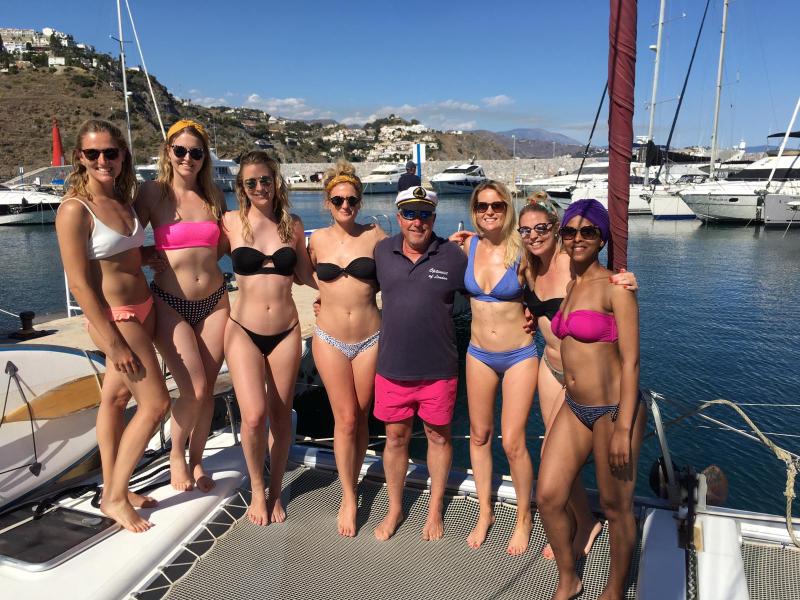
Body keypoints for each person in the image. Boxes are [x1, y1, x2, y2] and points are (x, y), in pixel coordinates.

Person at [56, 119, 170, 532]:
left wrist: (147, 255)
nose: (103, 160)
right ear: (80, 159)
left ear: (123, 155)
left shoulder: (124, 202)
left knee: (117, 401)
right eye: (93, 154)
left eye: (111, 152)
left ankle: (114, 482)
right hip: (117, 320)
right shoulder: (74, 209)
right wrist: (112, 342)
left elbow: (118, 255)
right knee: (157, 405)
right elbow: (79, 283)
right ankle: (115, 498)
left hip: (145, 306)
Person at [536, 199, 646, 600]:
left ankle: (615, 589)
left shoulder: (617, 288)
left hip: (613, 411)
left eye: (588, 232)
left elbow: (632, 364)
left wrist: (623, 428)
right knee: (547, 495)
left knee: (616, 508)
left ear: (601, 239)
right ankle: (569, 576)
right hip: (575, 405)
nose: (577, 239)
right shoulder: (570, 284)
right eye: (570, 231)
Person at [222, 150, 316, 526]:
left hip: (287, 330)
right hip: (242, 330)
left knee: (281, 416)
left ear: (276, 182)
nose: (260, 187)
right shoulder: (229, 222)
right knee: (254, 416)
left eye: (265, 179)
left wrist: (357, 285)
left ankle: (275, 490)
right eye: (251, 182)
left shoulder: (291, 226)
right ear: (241, 188)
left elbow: (308, 275)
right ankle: (256, 491)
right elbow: (194, 258)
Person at [135, 119, 228, 493]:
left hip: (216, 302)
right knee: (194, 388)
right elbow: (120, 241)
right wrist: (144, 253)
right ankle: (176, 453)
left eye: (196, 152)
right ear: (168, 153)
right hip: (170, 303)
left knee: (207, 390)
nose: (188, 158)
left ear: (204, 158)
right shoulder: (151, 194)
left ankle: (198, 459)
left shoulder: (215, 197)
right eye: (181, 150)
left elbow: (223, 246)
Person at [372, 185, 467, 542]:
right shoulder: (382, 251)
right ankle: (395, 507)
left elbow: (486, 290)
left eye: (424, 214)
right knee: (395, 439)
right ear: (399, 217)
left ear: (434, 218)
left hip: (439, 369)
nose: (417, 221)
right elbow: (357, 289)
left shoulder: (453, 256)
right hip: (392, 367)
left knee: (438, 438)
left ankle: (434, 509)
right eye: (409, 213)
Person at [448, 181, 537, 555]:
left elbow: (559, 278)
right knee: (479, 436)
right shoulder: (467, 246)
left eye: (497, 206)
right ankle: (485, 511)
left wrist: (617, 277)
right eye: (483, 206)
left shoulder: (524, 249)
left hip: (519, 354)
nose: (489, 212)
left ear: (508, 208)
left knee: (513, 442)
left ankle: (523, 516)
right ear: (474, 210)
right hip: (479, 353)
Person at [307, 160, 386, 537]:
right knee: (346, 418)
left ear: (360, 200)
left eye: (352, 199)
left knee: (363, 414)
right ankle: (348, 495)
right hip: (330, 339)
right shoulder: (316, 241)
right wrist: (323, 299)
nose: (345, 205)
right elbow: (303, 275)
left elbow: (404, 269)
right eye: (338, 199)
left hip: (371, 337)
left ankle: (353, 476)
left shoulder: (375, 236)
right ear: (328, 202)